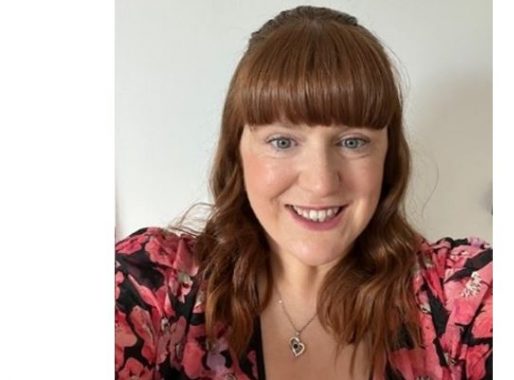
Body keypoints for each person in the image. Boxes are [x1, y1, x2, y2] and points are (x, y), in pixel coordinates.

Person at [115, 5, 492, 380]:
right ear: (237, 152)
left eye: (353, 141)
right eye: (282, 141)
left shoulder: (460, 298)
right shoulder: (156, 290)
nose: (321, 182)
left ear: (387, 156)